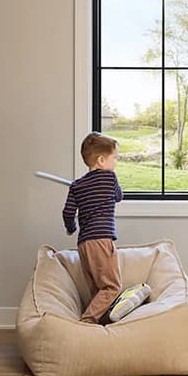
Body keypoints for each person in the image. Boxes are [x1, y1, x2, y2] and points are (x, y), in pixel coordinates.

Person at [62, 131, 123, 324]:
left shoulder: (77, 185)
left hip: (84, 243)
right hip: (102, 240)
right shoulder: (110, 178)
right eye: (114, 158)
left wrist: (71, 228)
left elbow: (67, 213)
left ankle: (99, 324)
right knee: (112, 287)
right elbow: (119, 196)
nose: (116, 163)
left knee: (97, 289)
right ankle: (86, 322)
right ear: (102, 160)